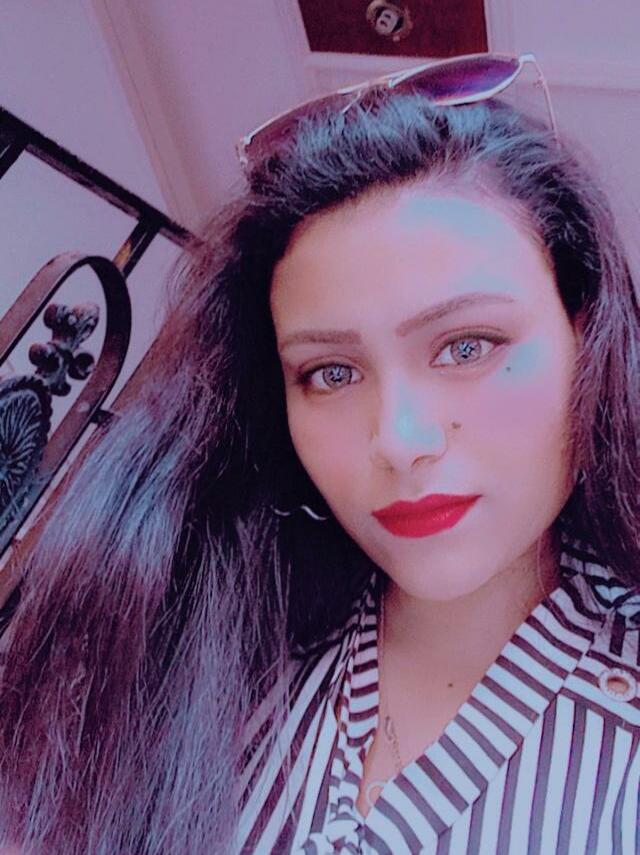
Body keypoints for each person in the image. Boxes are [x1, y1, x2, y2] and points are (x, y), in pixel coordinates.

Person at [0, 53, 638, 854]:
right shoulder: (201, 648)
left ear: (587, 335)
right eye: (331, 373)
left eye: (467, 344)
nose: (399, 440)